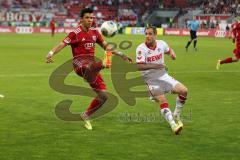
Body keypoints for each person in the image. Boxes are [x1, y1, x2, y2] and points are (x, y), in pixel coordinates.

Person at [46, 8, 132, 130]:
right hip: (80, 65)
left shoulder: (95, 33)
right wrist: (51, 53)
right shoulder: (75, 33)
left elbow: (106, 46)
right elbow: (62, 44)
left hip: (92, 68)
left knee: (104, 97)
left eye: (92, 18)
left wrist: (121, 54)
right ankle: (103, 63)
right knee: (93, 66)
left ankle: (85, 115)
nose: (90, 20)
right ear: (81, 19)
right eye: (87, 17)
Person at [136, 26, 188, 135]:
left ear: (155, 35)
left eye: (150, 34)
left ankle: (176, 114)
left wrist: (172, 54)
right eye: (146, 34)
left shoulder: (161, 44)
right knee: (163, 100)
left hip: (163, 75)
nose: (147, 36)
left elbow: (169, 50)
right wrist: (157, 65)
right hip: (150, 78)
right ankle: (173, 125)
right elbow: (139, 66)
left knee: (184, 91)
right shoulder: (141, 48)